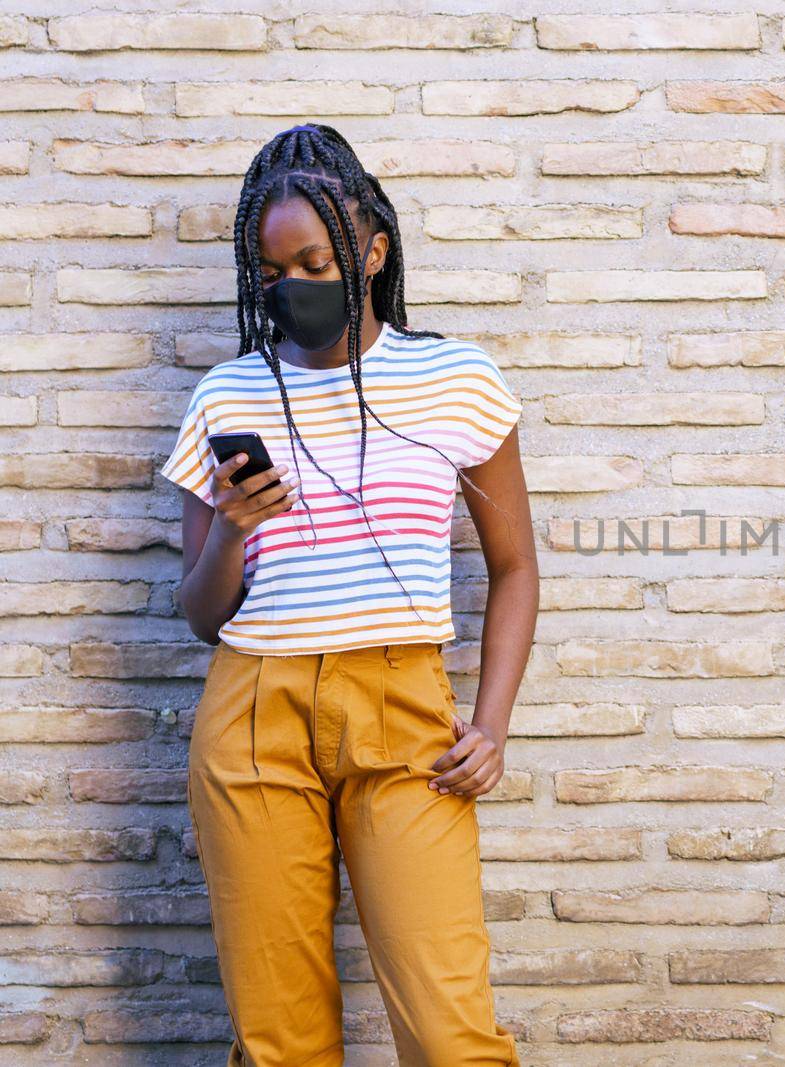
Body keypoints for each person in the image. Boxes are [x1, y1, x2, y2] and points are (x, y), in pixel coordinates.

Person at [158, 123, 535, 1066]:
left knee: (454, 1035)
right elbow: (201, 615)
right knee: (280, 1040)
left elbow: (516, 565)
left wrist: (490, 724)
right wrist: (238, 524)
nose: (294, 286)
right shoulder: (226, 397)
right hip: (253, 714)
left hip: (405, 710)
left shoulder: (457, 378)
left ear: (369, 252)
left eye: (316, 260)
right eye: (273, 269)